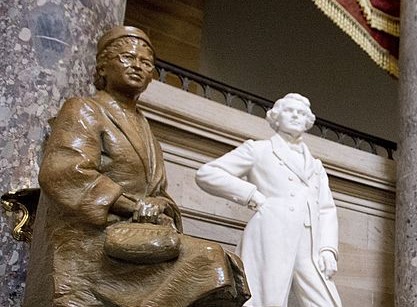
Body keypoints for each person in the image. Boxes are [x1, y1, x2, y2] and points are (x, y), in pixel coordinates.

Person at [23, 26, 249, 307]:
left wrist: (159, 206)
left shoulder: (144, 126)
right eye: (127, 58)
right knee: (209, 260)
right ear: (103, 66)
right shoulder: (83, 109)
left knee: (227, 267)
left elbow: (160, 193)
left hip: (136, 237)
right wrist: (132, 206)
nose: (138, 67)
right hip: (93, 244)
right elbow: (65, 172)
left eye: (146, 63)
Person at [195, 93, 342, 307]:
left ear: (308, 121)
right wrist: (252, 195)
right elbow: (207, 173)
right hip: (271, 233)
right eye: (289, 111)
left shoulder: (316, 166)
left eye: (301, 113)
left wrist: (328, 249)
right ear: (276, 117)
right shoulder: (259, 150)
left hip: (309, 243)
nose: (295, 116)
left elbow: (327, 209)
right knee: (265, 300)